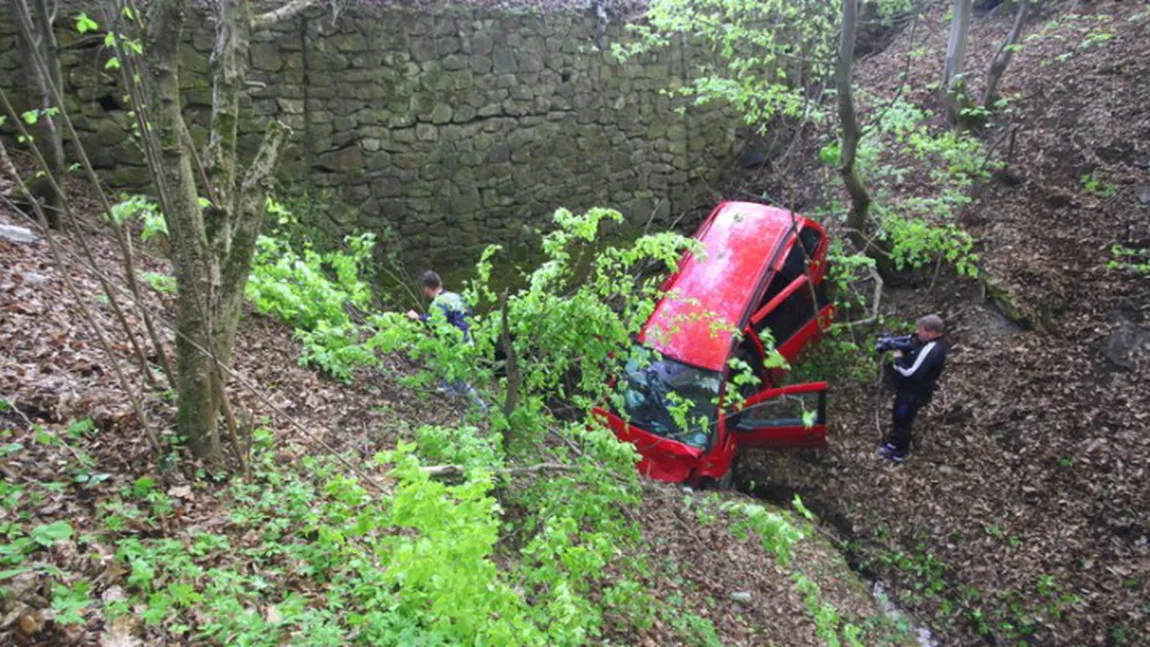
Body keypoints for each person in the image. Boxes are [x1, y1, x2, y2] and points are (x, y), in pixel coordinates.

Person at [405, 270, 486, 409]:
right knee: (447, 376)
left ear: (426, 289)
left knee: (457, 381)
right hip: (468, 342)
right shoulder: (456, 297)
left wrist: (418, 317)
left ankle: (481, 409)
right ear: (440, 282)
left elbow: (436, 322)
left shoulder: (439, 303)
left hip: (456, 347)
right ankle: (454, 406)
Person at [878, 314, 948, 463]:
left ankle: (900, 452)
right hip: (907, 391)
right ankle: (893, 443)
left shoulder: (932, 349)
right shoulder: (927, 341)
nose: (917, 332)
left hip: (914, 393)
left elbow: (912, 373)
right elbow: (911, 342)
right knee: (898, 417)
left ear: (931, 333)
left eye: (920, 330)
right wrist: (893, 343)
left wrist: (897, 359)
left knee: (904, 419)